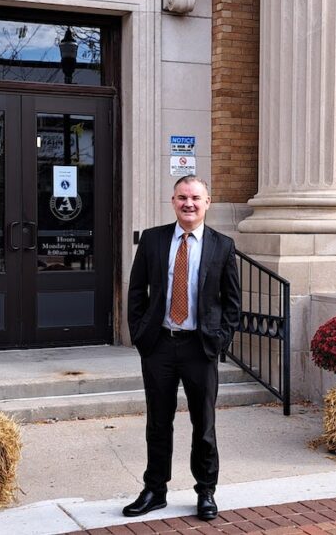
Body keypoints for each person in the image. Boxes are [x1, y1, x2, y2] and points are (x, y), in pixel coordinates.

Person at [122, 175, 241, 521]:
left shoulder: (222, 245)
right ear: (172, 201)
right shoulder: (153, 240)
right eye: (182, 197)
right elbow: (136, 292)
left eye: (195, 198)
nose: (189, 204)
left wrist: (219, 340)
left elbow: (232, 303)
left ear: (208, 203)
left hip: (199, 349)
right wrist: (141, 336)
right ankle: (155, 489)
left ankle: (206, 491)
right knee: (158, 423)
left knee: (203, 424)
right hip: (159, 345)